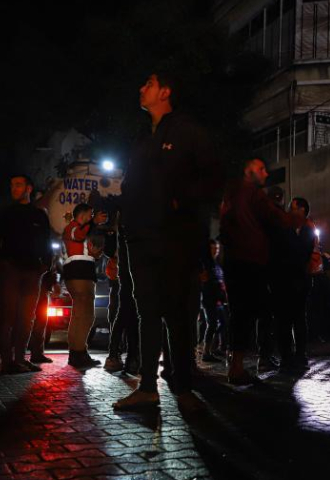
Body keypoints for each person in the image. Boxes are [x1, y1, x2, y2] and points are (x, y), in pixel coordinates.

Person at [113, 71, 224, 411]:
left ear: (165, 91)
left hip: (175, 237)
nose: (140, 88)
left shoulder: (188, 132)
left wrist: (180, 202)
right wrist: (125, 225)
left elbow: (212, 181)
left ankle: (184, 389)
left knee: (177, 312)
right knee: (146, 311)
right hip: (140, 238)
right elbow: (131, 186)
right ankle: (147, 387)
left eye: (148, 83)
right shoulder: (143, 139)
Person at [220, 158, 305, 383]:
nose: (265, 174)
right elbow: (273, 215)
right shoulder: (251, 193)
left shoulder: (230, 193)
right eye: (261, 169)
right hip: (249, 259)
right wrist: (295, 218)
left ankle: (237, 364)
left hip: (235, 258)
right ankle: (239, 366)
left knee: (241, 312)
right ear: (249, 171)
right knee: (253, 311)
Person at [0, 174, 54, 375]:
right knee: (8, 316)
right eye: (12, 185)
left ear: (29, 188)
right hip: (11, 271)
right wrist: (3, 262)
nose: (14, 189)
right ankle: (7, 361)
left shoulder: (39, 215)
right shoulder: (6, 213)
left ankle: (20, 359)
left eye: (18, 185)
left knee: (27, 318)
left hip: (33, 272)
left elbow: (46, 241)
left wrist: (46, 264)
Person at [273, 197, 317, 370]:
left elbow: (304, 253)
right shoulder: (285, 229)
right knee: (285, 320)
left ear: (303, 210)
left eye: (294, 208)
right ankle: (287, 356)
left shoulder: (307, 229)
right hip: (285, 280)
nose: (290, 211)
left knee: (298, 319)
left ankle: (299, 353)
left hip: (300, 280)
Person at [61, 203, 107, 367]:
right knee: (83, 313)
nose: (92, 216)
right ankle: (78, 353)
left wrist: (95, 253)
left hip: (84, 269)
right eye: (90, 214)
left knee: (84, 313)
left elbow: (82, 244)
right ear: (83, 214)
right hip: (77, 269)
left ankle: (78, 352)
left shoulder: (81, 229)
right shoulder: (72, 227)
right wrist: (93, 222)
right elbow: (78, 236)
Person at [104, 219, 141, 374]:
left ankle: (129, 357)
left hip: (132, 276)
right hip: (125, 278)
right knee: (125, 315)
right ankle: (121, 355)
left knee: (130, 317)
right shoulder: (119, 231)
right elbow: (110, 251)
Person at [200, 239, 228, 363]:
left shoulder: (216, 264)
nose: (215, 251)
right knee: (212, 324)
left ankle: (215, 348)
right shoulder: (205, 263)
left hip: (218, 300)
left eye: (217, 248)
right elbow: (205, 281)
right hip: (210, 299)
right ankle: (206, 352)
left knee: (222, 323)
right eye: (213, 248)